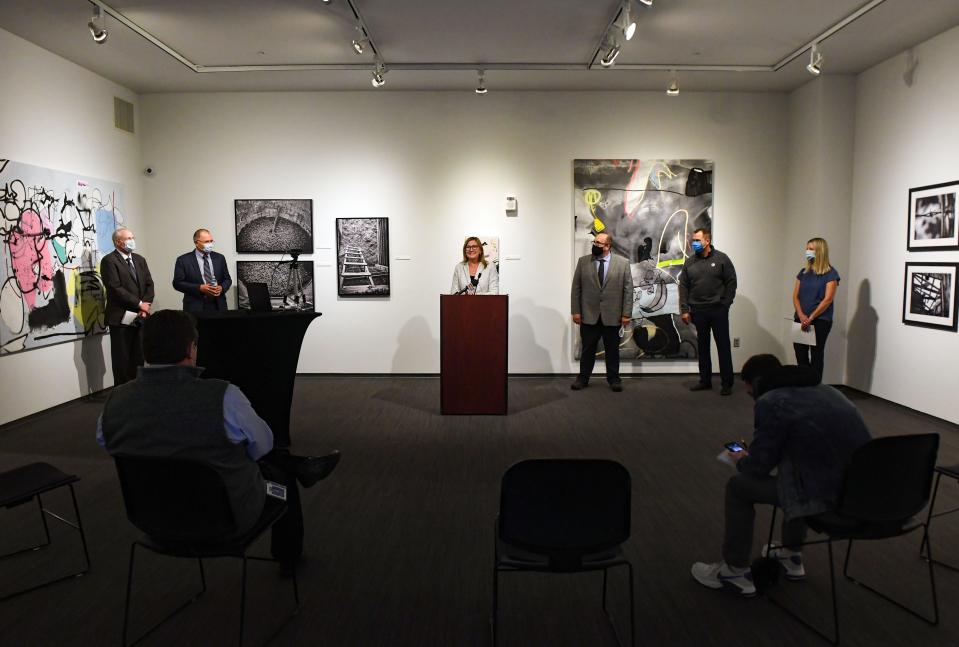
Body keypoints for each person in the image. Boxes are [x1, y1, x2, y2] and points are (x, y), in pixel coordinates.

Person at [96, 309, 340, 574]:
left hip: (151, 519)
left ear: (145, 350)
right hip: (223, 518)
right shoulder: (222, 396)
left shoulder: (115, 403)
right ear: (191, 348)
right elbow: (264, 445)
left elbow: (108, 443)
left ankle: (299, 468)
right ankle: (289, 557)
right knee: (279, 475)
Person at [690, 354, 872, 597]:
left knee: (738, 487)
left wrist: (741, 458)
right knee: (794, 472)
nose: (746, 391)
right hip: (863, 493)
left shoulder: (773, 402)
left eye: (747, 384)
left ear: (756, 382)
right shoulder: (830, 392)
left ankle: (734, 569)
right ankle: (791, 554)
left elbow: (758, 468)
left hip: (826, 498)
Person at [570, 232, 634, 392]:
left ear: (607, 246)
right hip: (588, 315)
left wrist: (626, 313)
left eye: (598, 243)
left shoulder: (623, 263)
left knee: (612, 350)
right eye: (594, 242)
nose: (594, 245)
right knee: (587, 349)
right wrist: (576, 311)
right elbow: (576, 288)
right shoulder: (583, 262)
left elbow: (628, 290)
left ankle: (614, 379)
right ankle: (583, 378)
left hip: (612, 316)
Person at [680, 228, 737, 395]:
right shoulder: (689, 262)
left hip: (718, 310)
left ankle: (727, 383)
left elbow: (731, 283)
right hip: (698, 311)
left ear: (707, 241)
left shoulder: (721, 259)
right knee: (703, 347)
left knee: (723, 346)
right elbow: (683, 286)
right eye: (693, 240)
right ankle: (705, 381)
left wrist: (725, 304)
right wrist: (685, 309)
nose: (694, 243)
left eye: (697, 240)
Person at [101, 227, 155, 386]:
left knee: (139, 356)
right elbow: (114, 288)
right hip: (120, 318)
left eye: (133, 237)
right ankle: (122, 394)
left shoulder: (139, 259)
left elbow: (149, 284)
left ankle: (138, 389)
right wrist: (140, 304)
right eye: (129, 238)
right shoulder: (109, 261)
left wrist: (145, 306)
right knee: (122, 358)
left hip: (140, 316)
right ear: (118, 242)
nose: (132, 240)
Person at [793, 237, 840, 383]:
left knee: (816, 354)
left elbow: (827, 299)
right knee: (800, 352)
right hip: (800, 319)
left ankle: (815, 387)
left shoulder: (831, 274)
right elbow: (795, 296)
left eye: (811, 249)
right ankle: (804, 382)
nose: (808, 252)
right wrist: (801, 315)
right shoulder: (803, 272)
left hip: (820, 321)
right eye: (807, 248)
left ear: (820, 251)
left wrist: (811, 317)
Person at [173, 228, 233, 312]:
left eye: (211, 241)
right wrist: (199, 288)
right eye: (206, 242)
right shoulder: (183, 260)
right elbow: (177, 283)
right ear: (196, 243)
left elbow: (227, 279)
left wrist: (222, 288)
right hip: (195, 306)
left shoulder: (219, 258)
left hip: (218, 305)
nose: (210, 244)